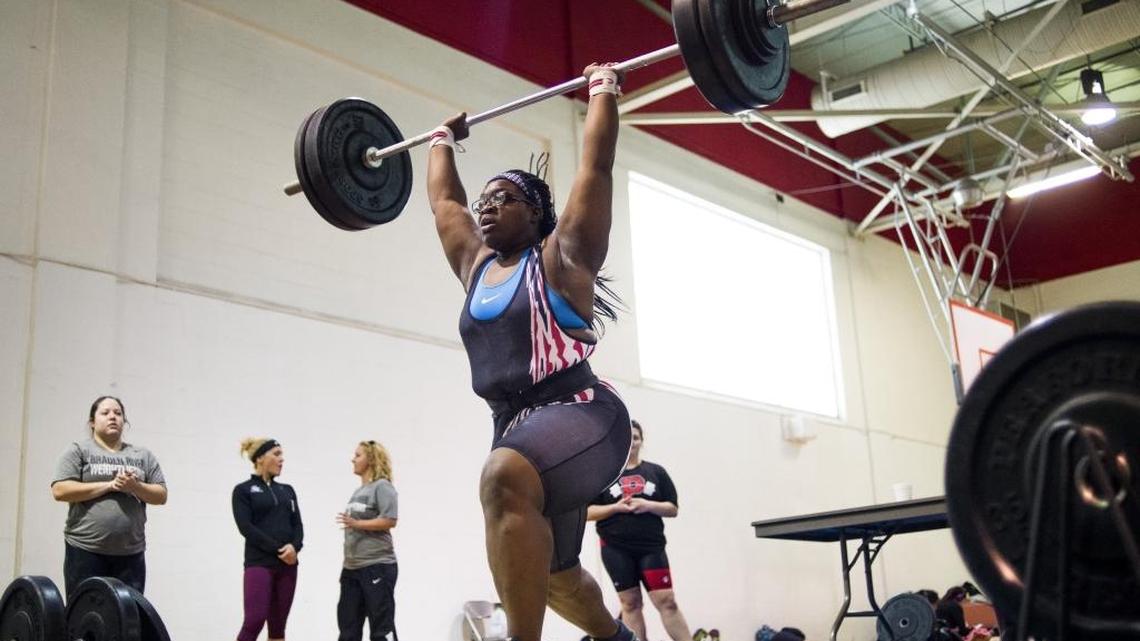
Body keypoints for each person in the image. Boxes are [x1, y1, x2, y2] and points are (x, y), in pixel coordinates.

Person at [426, 62, 635, 641]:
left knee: (502, 477)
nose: (487, 207)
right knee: (551, 575)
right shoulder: (477, 267)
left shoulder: (563, 257)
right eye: (486, 199)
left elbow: (597, 166)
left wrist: (602, 89)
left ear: (537, 213)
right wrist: (442, 142)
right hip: (517, 427)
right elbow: (445, 205)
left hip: (582, 411)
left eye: (505, 198)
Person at [51, 395, 168, 597]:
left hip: (131, 553)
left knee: (129, 617)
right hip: (85, 550)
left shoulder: (142, 455)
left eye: (118, 413)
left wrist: (135, 486)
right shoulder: (79, 450)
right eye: (105, 413)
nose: (112, 417)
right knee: (85, 615)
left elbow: (161, 495)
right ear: (92, 423)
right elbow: (60, 490)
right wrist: (109, 485)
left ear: (124, 421)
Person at [587, 420, 691, 641]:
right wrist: (615, 507)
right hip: (615, 549)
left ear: (641, 441)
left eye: (635, 437)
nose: (632, 441)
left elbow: (672, 508)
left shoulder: (656, 472)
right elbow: (587, 512)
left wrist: (647, 505)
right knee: (630, 604)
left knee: (667, 601)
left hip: (651, 548)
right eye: (627, 437)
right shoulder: (604, 475)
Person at [232, 438, 303, 641]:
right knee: (254, 621)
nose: (282, 460)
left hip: (288, 565)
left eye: (282, 455)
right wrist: (279, 549)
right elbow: (246, 527)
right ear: (260, 458)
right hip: (259, 564)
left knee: (278, 628)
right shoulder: (243, 490)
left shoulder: (287, 491)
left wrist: (294, 548)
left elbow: (298, 526)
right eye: (277, 454)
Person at [336, 440, 399, 641]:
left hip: (377, 566)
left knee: (381, 629)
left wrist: (357, 524)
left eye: (358, 455)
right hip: (352, 568)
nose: (352, 459)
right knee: (348, 630)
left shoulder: (382, 487)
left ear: (371, 459)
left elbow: (390, 520)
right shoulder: (358, 491)